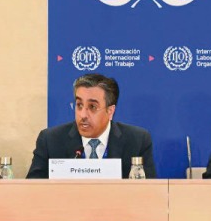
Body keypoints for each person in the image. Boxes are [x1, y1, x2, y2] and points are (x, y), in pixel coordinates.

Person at [26, 73, 156, 179]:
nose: (83, 115)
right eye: (79, 105)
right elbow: (32, 191)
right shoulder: (50, 140)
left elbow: (149, 193)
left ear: (110, 111)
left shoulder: (137, 140)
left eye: (92, 107)